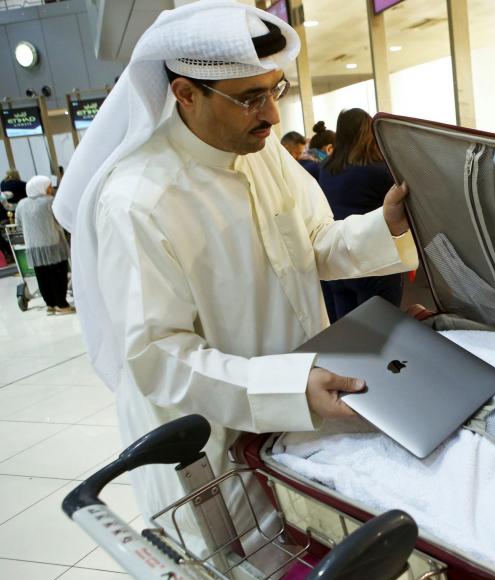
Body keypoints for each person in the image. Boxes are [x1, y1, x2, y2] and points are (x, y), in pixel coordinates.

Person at [52, 1, 418, 550]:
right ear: (186, 94)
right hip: (212, 457)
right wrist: (286, 387)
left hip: (297, 420)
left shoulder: (262, 153)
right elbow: (159, 356)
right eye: (250, 98)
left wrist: (382, 225)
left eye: (276, 90)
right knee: (246, 571)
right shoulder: (137, 202)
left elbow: (314, 242)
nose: (272, 116)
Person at [317, 108, 405, 322]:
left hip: (338, 261)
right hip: (374, 261)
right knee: (382, 331)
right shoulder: (379, 169)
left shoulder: (325, 167)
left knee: (349, 333)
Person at [15, 176, 73, 314]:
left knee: (42, 277)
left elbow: (18, 225)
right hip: (53, 245)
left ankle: (50, 305)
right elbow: (61, 219)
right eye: (48, 186)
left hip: (34, 248)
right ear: (40, 188)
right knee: (58, 276)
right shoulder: (49, 202)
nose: (51, 189)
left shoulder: (21, 204)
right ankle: (62, 304)